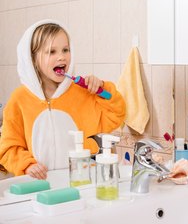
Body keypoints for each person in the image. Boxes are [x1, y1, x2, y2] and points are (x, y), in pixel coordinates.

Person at [0, 20, 125, 180]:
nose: (61, 57)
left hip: (82, 181)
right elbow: (8, 148)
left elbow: (117, 114)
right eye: (51, 52)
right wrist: (27, 165)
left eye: (65, 50)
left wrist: (102, 89)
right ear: (33, 59)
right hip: (40, 185)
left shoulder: (83, 92)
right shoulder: (19, 100)